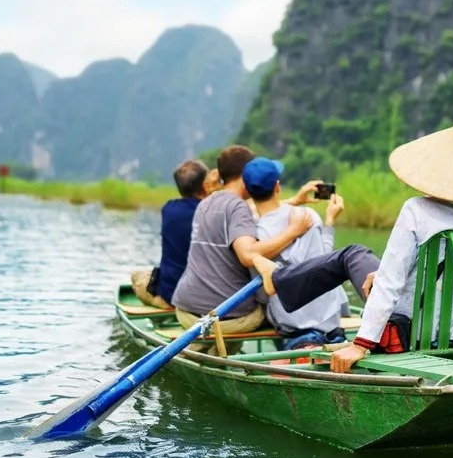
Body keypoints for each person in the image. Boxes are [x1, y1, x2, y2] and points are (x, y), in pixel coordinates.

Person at [251, 124, 453, 372]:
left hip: (406, 332)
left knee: (352, 254)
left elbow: (390, 283)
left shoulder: (417, 210)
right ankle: (279, 279)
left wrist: (361, 344)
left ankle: (277, 279)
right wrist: (383, 272)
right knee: (369, 266)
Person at [171, 145, 314, 340]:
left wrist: (295, 200)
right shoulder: (238, 207)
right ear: (245, 174)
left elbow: (250, 211)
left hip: (186, 310)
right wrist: (293, 231)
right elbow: (247, 255)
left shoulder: (207, 202)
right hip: (225, 318)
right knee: (280, 310)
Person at [242, 156, 348, 349]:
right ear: (277, 186)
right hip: (329, 320)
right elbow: (326, 261)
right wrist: (330, 221)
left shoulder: (252, 235)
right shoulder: (307, 215)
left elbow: (263, 294)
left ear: (248, 192)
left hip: (290, 324)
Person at [130, 158, 212, 308]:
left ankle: (161, 302)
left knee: (137, 276)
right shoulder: (212, 212)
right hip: (204, 293)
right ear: (204, 185)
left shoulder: (168, 209)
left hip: (171, 293)